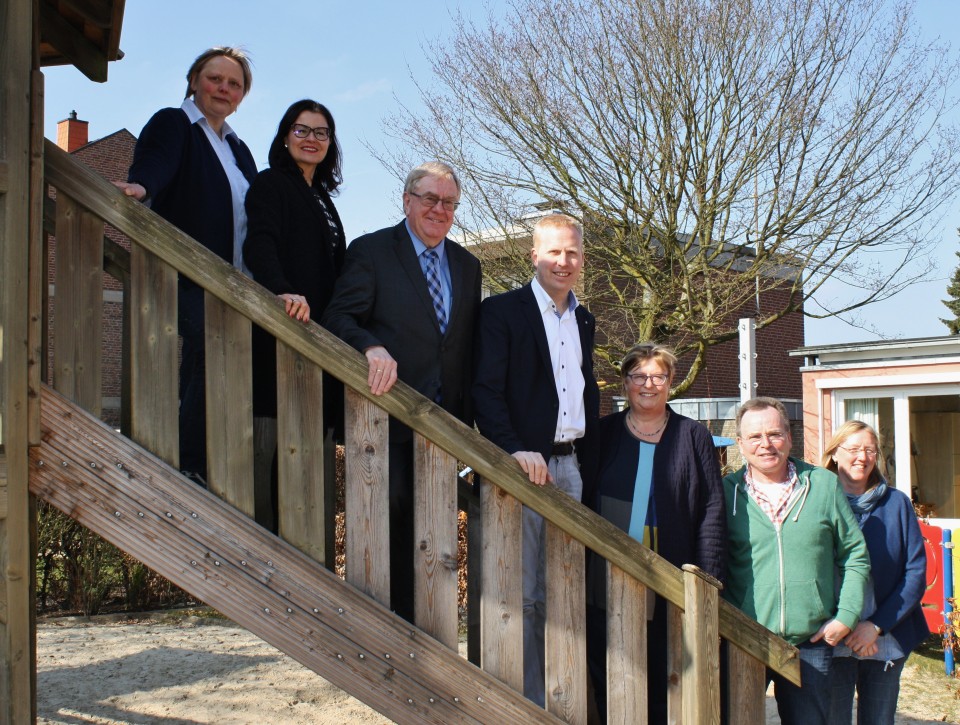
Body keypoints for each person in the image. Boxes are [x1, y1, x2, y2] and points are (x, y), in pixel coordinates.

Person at [322, 161, 482, 622]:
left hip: (445, 428)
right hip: (384, 423)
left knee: (433, 538)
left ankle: (426, 636)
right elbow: (338, 318)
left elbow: (464, 346)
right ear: (407, 200)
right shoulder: (371, 252)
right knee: (386, 533)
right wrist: (370, 346)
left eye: (449, 202)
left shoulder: (468, 266)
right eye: (430, 199)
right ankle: (383, 631)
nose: (439, 209)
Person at [472, 213, 600, 706]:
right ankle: (524, 703)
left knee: (564, 592)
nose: (563, 262)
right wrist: (514, 450)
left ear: (581, 259)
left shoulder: (583, 318)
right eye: (554, 252)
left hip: (572, 468)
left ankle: (560, 697)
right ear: (534, 256)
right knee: (522, 593)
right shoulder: (502, 311)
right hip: (524, 467)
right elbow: (486, 391)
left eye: (571, 253)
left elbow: (583, 394)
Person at [116, 47, 258, 485]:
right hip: (187, 271)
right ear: (195, 80)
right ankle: (191, 464)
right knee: (210, 348)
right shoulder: (173, 123)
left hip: (234, 284)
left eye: (234, 84)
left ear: (241, 96)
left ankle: (208, 461)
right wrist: (142, 186)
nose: (223, 88)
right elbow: (157, 162)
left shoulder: (239, 148)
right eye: (215, 78)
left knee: (213, 361)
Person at [581, 342, 726, 722]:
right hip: (605, 578)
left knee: (664, 677)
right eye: (639, 376)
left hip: (669, 578)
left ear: (670, 382)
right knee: (609, 670)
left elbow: (711, 509)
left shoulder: (693, 436)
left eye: (658, 376)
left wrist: (707, 581)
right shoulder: (602, 432)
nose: (648, 384)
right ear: (625, 382)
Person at [723, 397, 870, 725]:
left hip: (810, 642)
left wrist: (846, 616)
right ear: (741, 444)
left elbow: (855, 555)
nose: (766, 445)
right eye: (755, 437)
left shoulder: (823, 485)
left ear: (789, 437)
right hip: (745, 638)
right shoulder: (725, 494)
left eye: (775, 434)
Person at [243, 99, 346, 531]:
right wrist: (281, 290)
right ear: (285, 136)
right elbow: (259, 244)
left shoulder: (321, 196)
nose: (311, 139)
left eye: (321, 133)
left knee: (310, 463)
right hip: (281, 336)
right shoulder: (271, 184)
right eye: (302, 130)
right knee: (273, 462)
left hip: (318, 341)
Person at [821, 421, 928, 725]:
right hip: (833, 635)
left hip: (886, 635)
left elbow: (915, 572)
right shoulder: (817, 501)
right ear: (834, 455)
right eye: (853, 449)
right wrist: (843, 624)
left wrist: (875, 626)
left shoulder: (896, 503)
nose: (862, 457)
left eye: (869, 450)